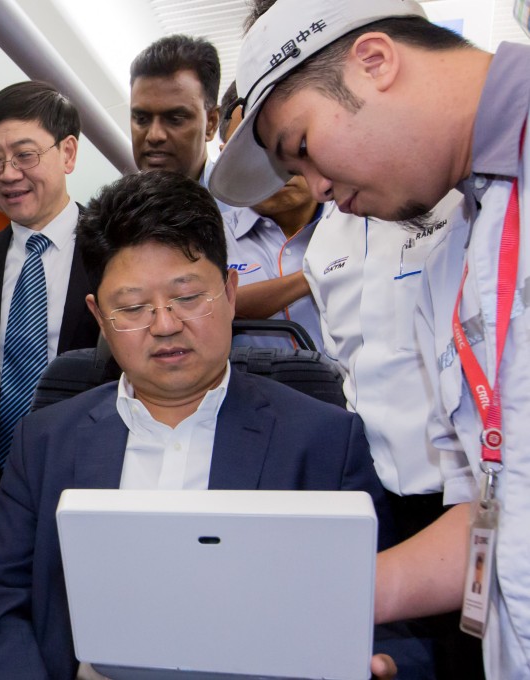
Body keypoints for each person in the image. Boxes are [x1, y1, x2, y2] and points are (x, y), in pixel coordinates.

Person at [0, 171, 405, 679]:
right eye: (131, 307)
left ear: (231, 293)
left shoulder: (324, 440)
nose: (165, 324)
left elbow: (388, 622)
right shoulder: (44, 441)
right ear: (99, 317)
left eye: (188, 297)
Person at [209, 1, 529, 676]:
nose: (319, 188)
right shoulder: (454, 254)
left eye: (301, 147)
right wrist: (309, 600)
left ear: (375, 61)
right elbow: (496, 503)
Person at [0, 81, 99, 471]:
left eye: (25, 155)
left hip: (88, 465)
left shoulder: (115, 253)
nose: (8, 175)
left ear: (68, 153)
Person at [218, 82, 330, 350]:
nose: (277, 163)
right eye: (254, 151)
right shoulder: (205, 239)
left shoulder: (364, 220)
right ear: (227, 158)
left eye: (291, 140)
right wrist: (315, 274)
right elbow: (204, 309)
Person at [129, 35, 230, 213]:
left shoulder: (248, 215)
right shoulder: (109, 222)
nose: (154, 135)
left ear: (211, 123)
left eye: (175, 119)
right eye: (142, 119)